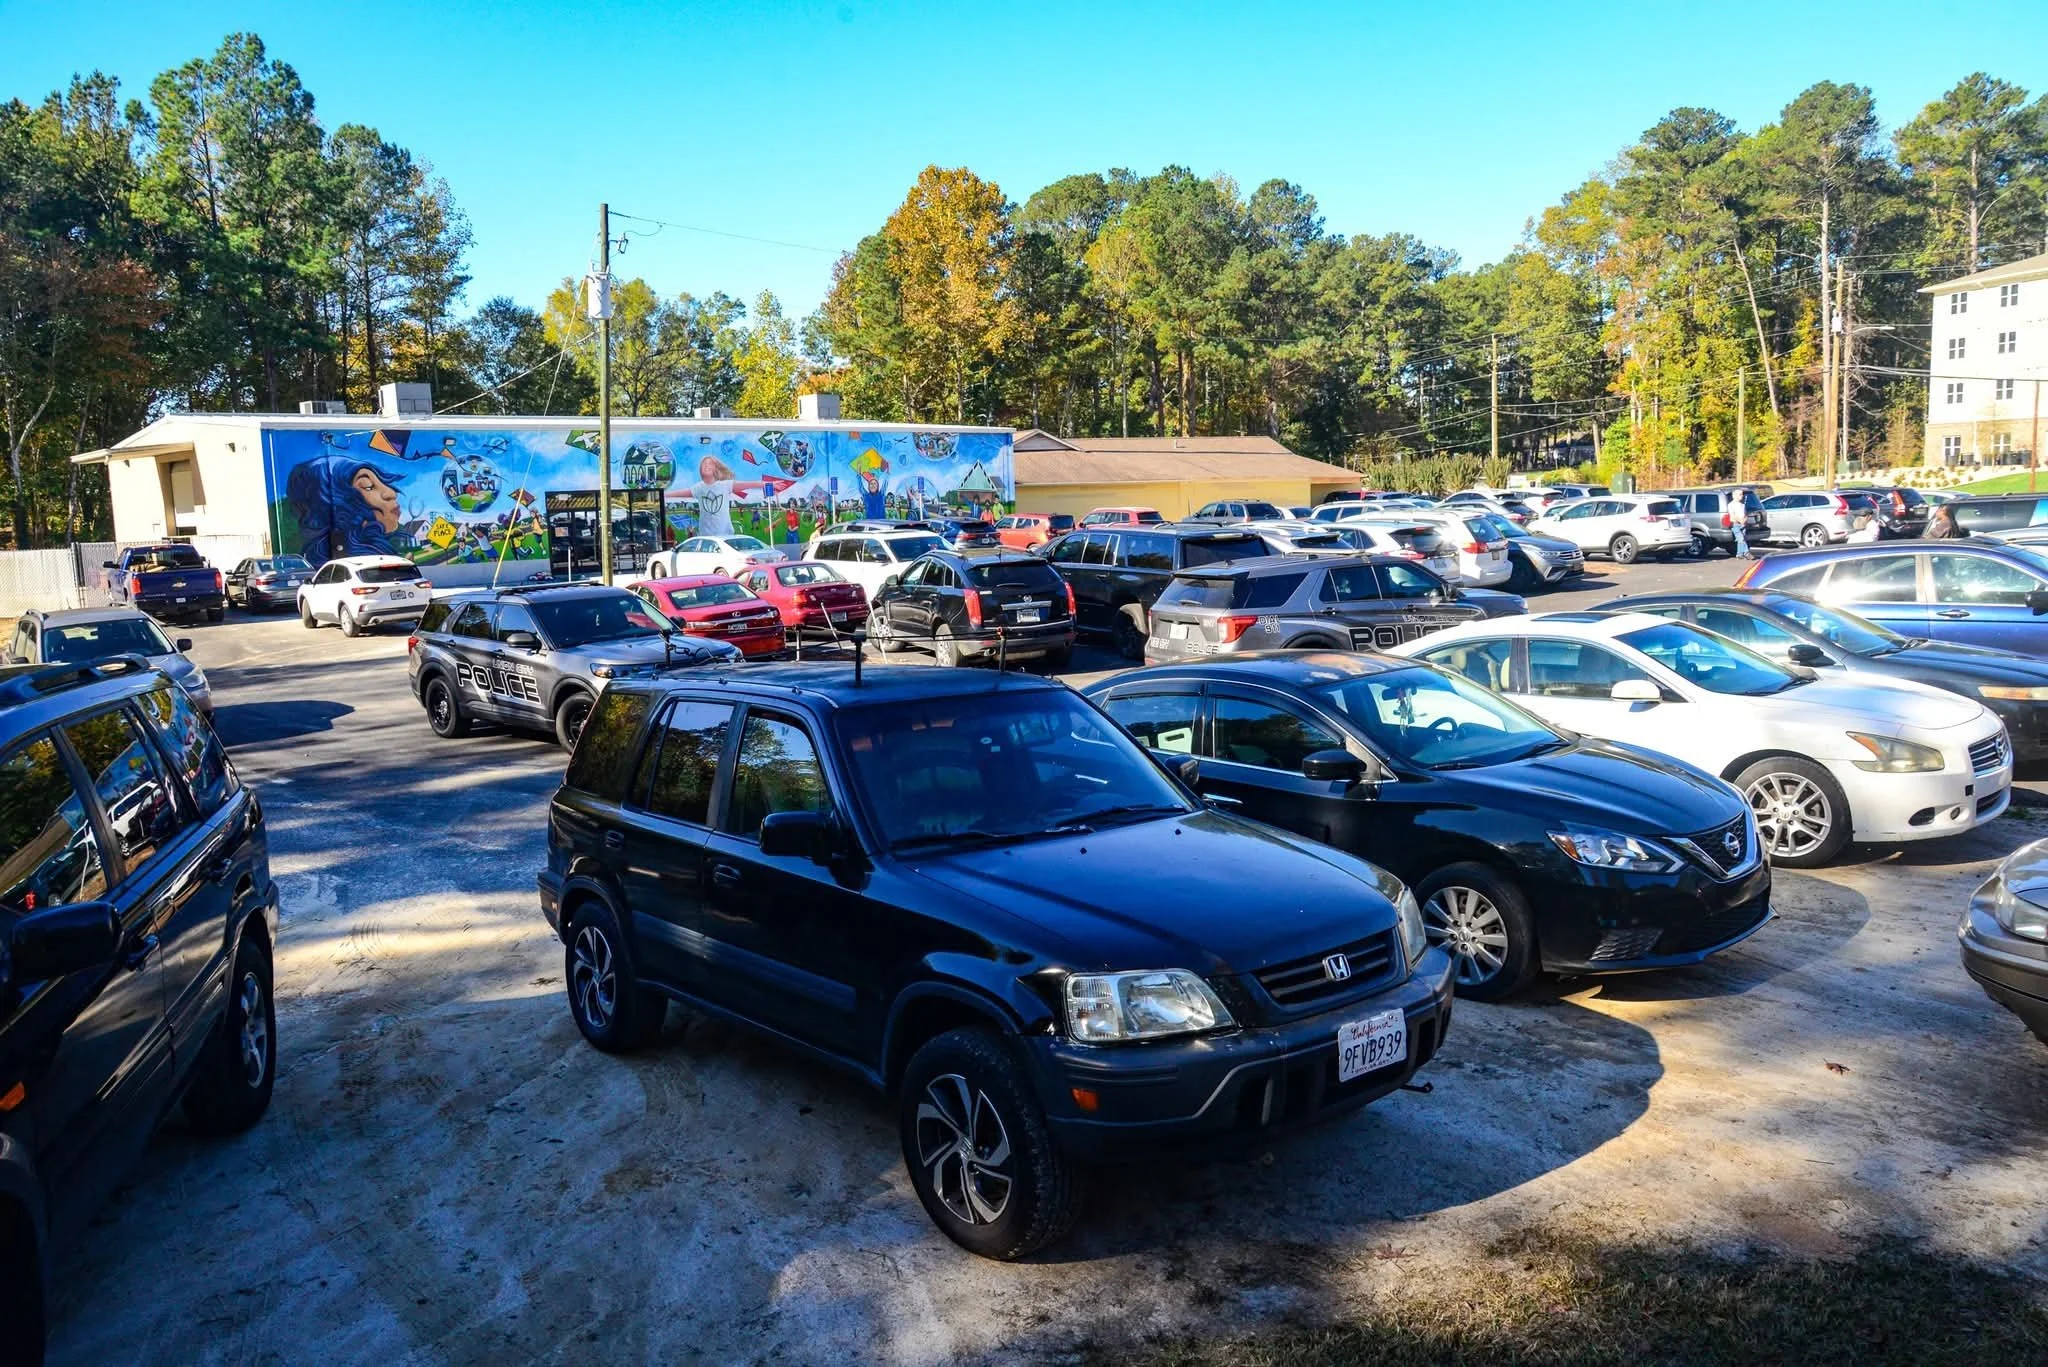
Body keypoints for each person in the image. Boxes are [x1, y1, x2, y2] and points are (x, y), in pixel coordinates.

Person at [1726, 486, 1753, 559]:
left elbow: (1745, 513)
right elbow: (1732, 516)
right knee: (1741, 539)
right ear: (1734, 495)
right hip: (1735, 525)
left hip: (1743, 524)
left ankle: (1739, 554)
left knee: (1741, 539)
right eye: (1740, 494)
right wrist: (1739, 520)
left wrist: (1745, 519)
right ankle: (1746, 552)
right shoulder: (1731, 505)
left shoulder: (1742, 505)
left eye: (1742, 494)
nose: (1742, 496)